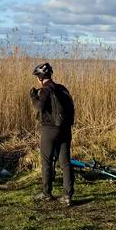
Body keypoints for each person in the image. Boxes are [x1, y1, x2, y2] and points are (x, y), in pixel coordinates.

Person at [30, 62, 75, 205]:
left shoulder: (45, 90)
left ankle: (46, 193)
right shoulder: (62, 88)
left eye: (37, 77)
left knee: (47, 162)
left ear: (40, 78)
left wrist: (33, 97)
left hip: (49, 130)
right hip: (65, 129)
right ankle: (67, 196)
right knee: (66, 163)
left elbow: (39, 107)